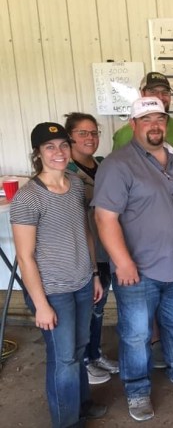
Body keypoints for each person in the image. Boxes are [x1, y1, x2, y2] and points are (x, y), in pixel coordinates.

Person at [93, 97, 173, 422]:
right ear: (133, 125)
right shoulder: (117, 164)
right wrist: (122, 262)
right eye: (146, 120)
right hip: (137, 269)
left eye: (159, 119)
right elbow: (104, 218)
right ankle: (137, 389)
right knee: (136, 334)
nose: (154, 126)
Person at [10, 122, 107, 427]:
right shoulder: (28, 198)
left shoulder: (75, 185)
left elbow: (85, 232)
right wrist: (41, 305)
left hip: (82, 282)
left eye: (64, 145)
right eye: (50, 147)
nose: (59, 152)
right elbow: (25, 257)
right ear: (38, 153)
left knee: (78, 349)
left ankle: (81, 404)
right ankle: (67, 421)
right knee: (63, 358)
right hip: (53, 291)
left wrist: (94, 274)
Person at [64, 113, 119, 386]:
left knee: (99, 305)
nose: (90, 138)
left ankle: (95, 354)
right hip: (83, 250)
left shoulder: (101, 165)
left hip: (105, 247)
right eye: (83, 133)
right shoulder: (65, 171)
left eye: (94, 132)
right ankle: (83, 361)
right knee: (86, 307)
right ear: (70, 137)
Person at [112, 71, 173, 159]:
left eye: (165, 92)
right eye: (153, 92)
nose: (160, 97)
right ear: (142, 93)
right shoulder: (123, 136)